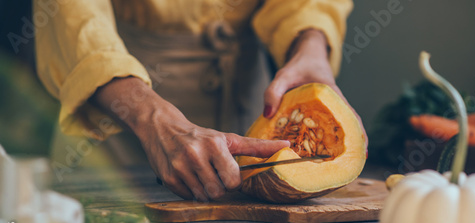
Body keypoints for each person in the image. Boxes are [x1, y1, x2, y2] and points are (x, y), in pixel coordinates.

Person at [35, 0, 363, 201]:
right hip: (115, 112)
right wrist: (149, 118)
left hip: (245, 97)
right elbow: (73, 12)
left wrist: (310, 43)